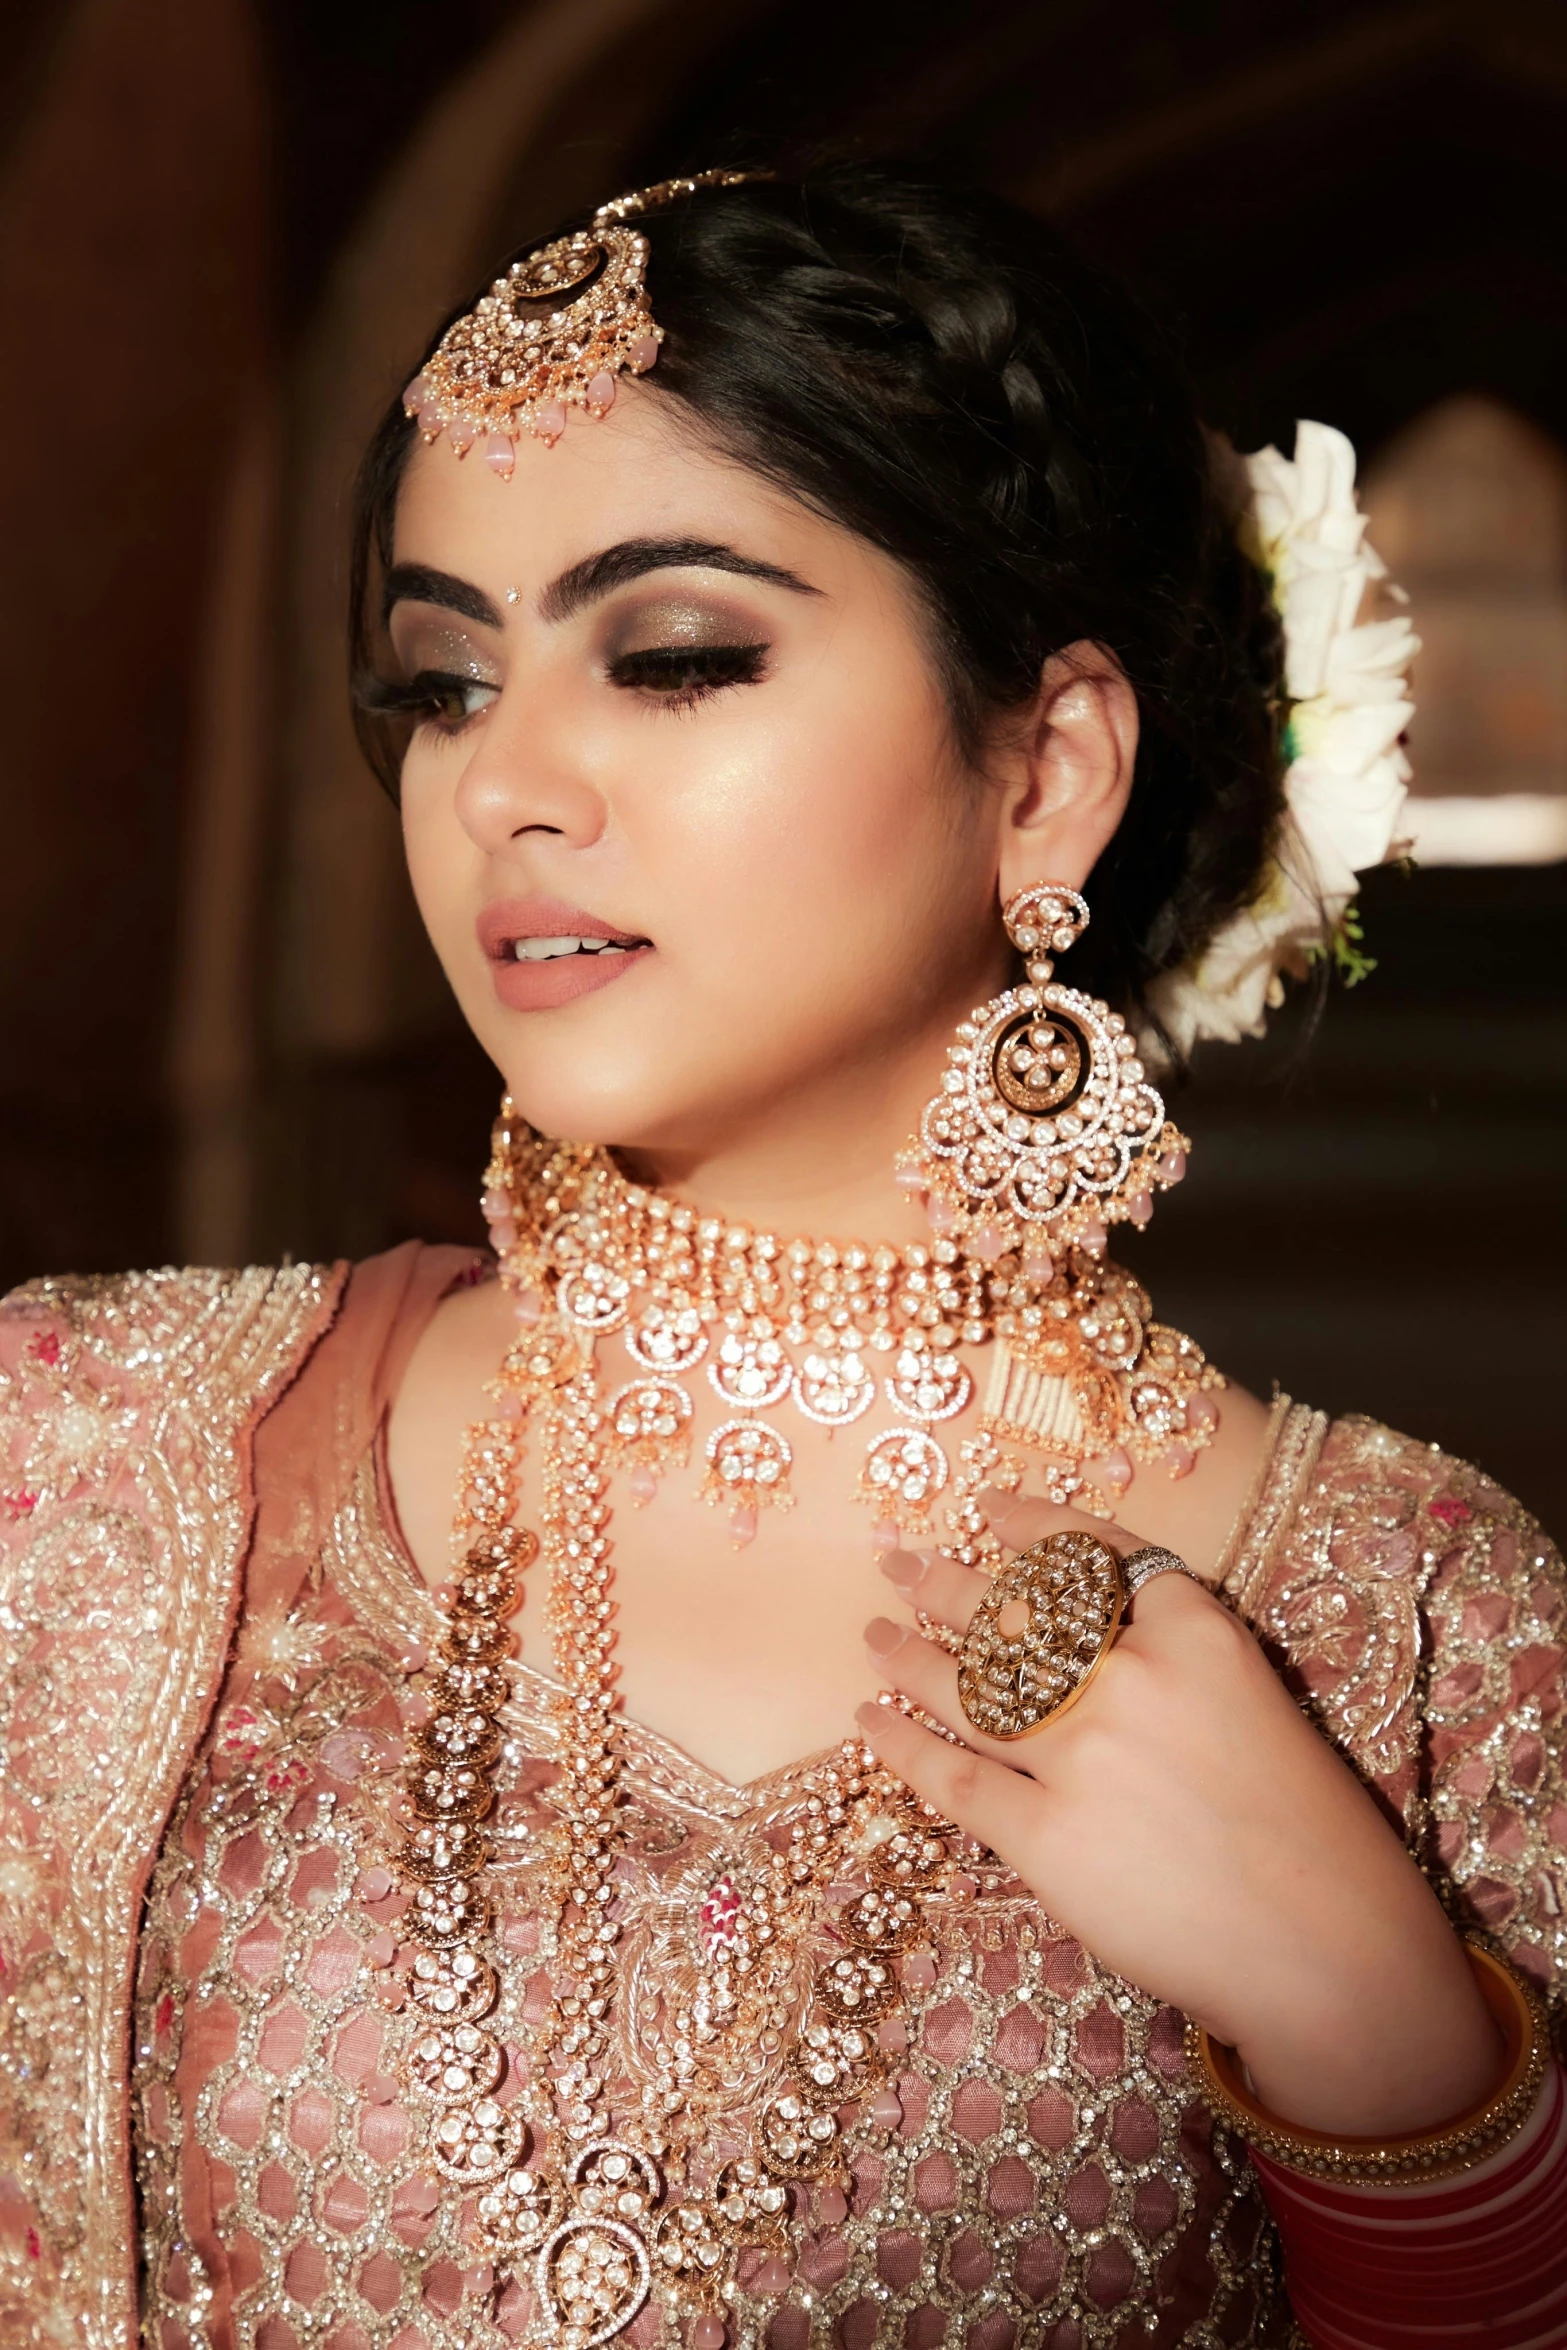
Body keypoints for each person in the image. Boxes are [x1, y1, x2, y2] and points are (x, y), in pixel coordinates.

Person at [1, 162, 1562, 2350]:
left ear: (1045, 773)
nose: (503, 787)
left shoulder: (1417, 1631)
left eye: (673, 655)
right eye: (440, 682)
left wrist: (1398, 2063)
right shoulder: (84, 1461)